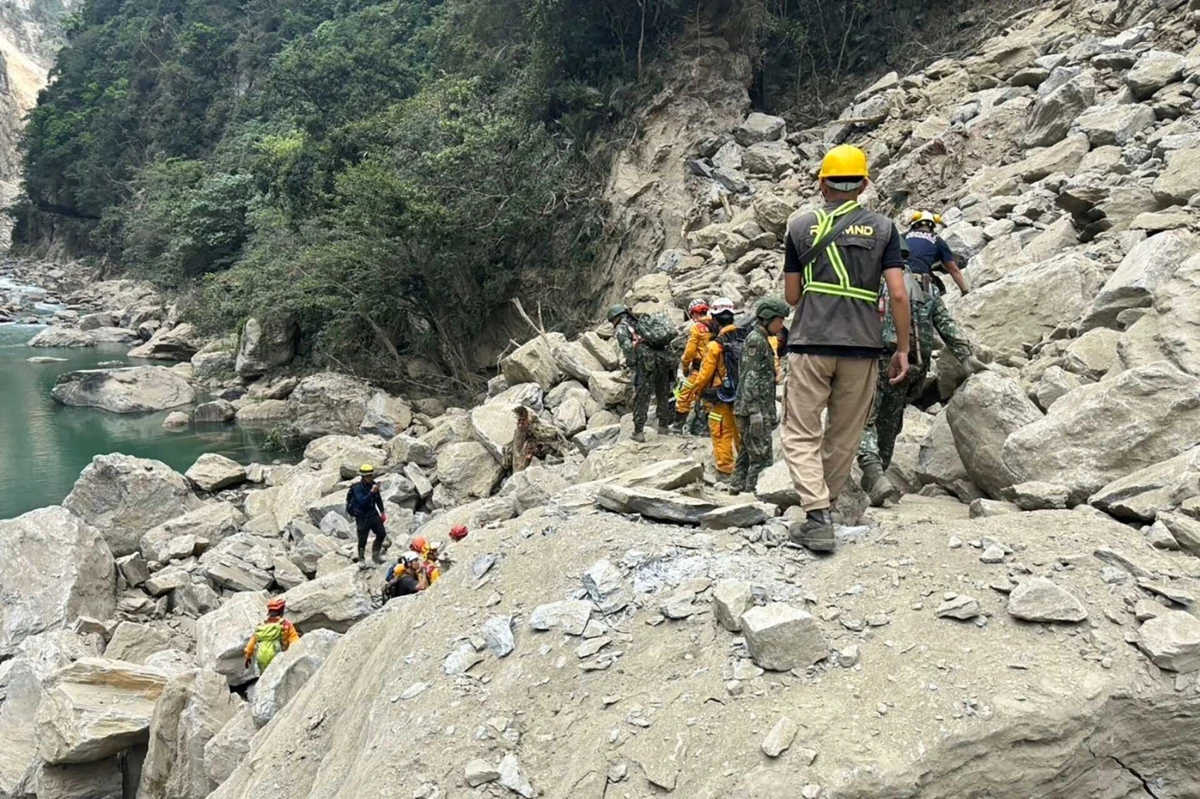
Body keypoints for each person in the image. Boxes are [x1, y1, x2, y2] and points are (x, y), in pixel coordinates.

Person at [781, 144, 911, 553]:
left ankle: (816, 515)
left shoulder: (800, 227)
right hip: (862, 348)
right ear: (865, 183)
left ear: (822, 184)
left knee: (801, 431)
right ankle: (829, 505)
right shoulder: (885, 229)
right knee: (844, 434)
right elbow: (898, 295)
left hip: (811, 343)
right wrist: (902, 348)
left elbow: (791, 296)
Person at [857, 238, 982, 505]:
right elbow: (945, 325)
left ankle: (874, 475)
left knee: (863, 418)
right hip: (912, 363)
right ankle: (876, 485)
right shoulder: (927, 288)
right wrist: (965, 355)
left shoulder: (872, 283)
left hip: (873, 360)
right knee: (890, 423)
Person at [731, 297, 790, 493]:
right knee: (761, 456)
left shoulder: (761, 339)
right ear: (767, 318)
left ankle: (737, 486)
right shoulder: (756, 341)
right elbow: (750, 377)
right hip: (754, 409)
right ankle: (755, 495)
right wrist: (755, 412)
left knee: (748, 452)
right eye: (779, 321)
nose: (781, 326)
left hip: (756, 407)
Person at [682, 297, 741, 479]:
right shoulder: (745, 336)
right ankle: (747, 468)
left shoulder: (715, 345)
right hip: (743, 392)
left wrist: (698, 391)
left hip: (720, 394)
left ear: (714, 318)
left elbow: (705, 374)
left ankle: (725, 470)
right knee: (741, 430)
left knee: (720, 429)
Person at [608, 304, 677, 442]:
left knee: (642, 396)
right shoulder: (641, 322)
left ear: (615, 318)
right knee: (662, 392)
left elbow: (627, 347)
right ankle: (663, 426)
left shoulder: (623, 327)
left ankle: (638, 432)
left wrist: (632, 364)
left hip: (645, 364)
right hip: (663, 360)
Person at [672, 298, 713, 434]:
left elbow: (690, 351)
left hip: (698, 369)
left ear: (694, 314)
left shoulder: (696, 328)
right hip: (712, 369)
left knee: (685, 395)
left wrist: (684, 366)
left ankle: (678, 426)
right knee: (709, 398)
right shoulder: (714, 326)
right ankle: (708, 430)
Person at [905, 211, 969, 296]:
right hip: (920, 276)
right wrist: (965, 291)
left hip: (898, 272)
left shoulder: (903, 236)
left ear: (915, 224)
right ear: (932, 227)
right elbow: (953, 269)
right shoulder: (937, 241)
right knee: (940, 287)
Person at [243, 598, 300, 673]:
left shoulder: (261, 626)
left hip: (261, 658)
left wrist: (247, 657)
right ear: (281, 610)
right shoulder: (286, 625)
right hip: (278, 658)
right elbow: (296, 642)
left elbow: (250, 644)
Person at [346, 464, 388, 565]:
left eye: (371, 475)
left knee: (381, 533)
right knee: (362, 539)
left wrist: (382, 512)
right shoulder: (357, 488)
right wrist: (372, 492)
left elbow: (378, 499)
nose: (370, 478)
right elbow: (363, 502)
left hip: (372, 514)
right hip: (361, 516)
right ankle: (361, 558)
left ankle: (376, 554)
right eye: (368, 476)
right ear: (363, 477)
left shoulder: (373, 484)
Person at [511, 405, 569, 471]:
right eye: (519, 421)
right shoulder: (521, 434)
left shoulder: (540, 428)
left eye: (523, 421)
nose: (521, 424)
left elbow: (553, 436)